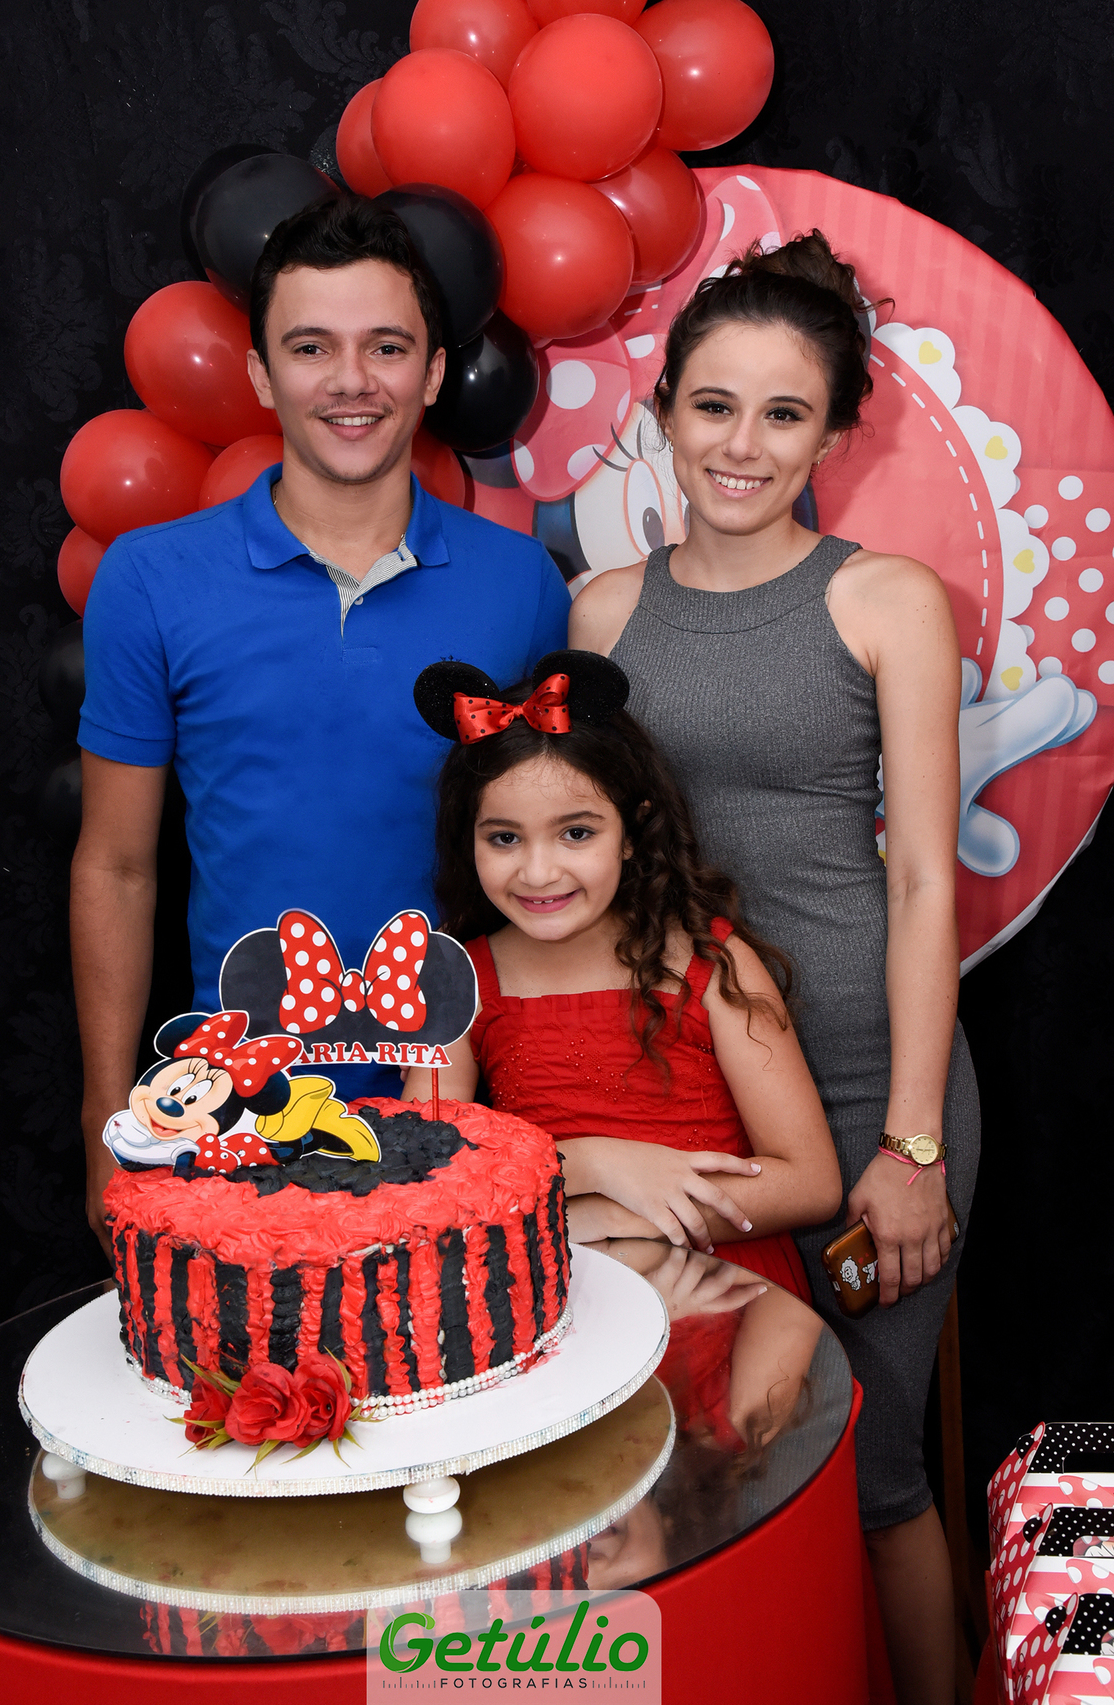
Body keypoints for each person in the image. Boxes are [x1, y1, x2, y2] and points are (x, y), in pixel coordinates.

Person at [568, 232, 982, 1705]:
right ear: (663, 413)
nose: (742, 444)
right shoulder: (603, 614)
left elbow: (924, 881)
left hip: (871, 1077)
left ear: (834, 435)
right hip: (685, 1090)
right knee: (692, 1463)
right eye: (714, 405)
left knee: (872, 1469)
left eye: (785, 412)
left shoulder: (888, 600)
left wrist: (912, 1146)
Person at [73, 194, 570, 1250]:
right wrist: (102, 1117)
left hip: (463, 1099)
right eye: (311, 348)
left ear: (432, 372)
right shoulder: (152, 579)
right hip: (237, 1112)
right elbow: (115, 867)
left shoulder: (521, 583)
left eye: (386, 346)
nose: (352, 380)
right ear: (261, 373)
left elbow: (553, 852)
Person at [405, 650, 842, 1300]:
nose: (539, 872)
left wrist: (620, 1220)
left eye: (576, 833)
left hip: (730, 1288)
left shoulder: (709, 959)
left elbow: (810, 1182)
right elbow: (424, 1172)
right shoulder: (456, 978)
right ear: (468, 840)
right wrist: (590, 1163)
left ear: (632, 832)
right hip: (562, 1292)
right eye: (505, 838)